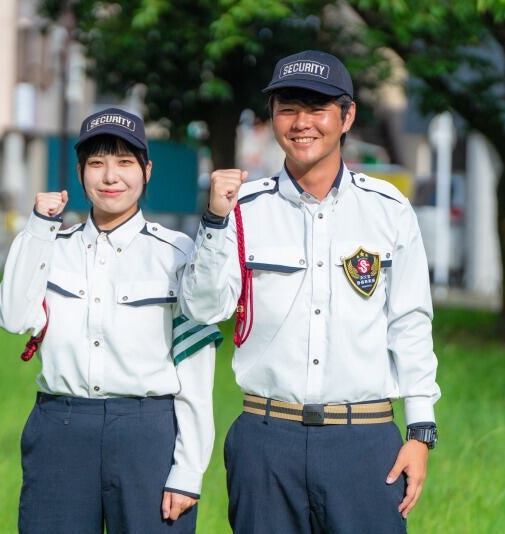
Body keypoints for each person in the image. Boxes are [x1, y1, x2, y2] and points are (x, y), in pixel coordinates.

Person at [180, 50, 440, 533]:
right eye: (288, 108)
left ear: (347, 116)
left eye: (317, 108)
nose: (302, 123)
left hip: (365, 442)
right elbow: (203, 307)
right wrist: (215, 221)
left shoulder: (388, 209)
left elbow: (410, 322)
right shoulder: (244, 209)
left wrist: (421, 430)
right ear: (272, 117)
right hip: (266, 439)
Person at [0, 107, 221, 534]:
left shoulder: (177, 252)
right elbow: (11, 316)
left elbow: (196, 367)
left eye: (124, 163)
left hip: (147, 433)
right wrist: (39, 226)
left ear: (146, 170)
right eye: (96, 163)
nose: (110, 177)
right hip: (60, 428)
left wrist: (188, 471)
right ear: (80, 172)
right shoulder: (50, 243)